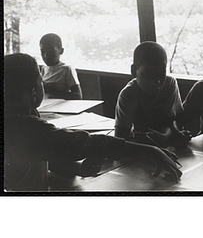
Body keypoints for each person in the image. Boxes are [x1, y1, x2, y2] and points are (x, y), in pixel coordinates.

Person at [4, 53, 182, 192]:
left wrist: (80, 169)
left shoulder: (24, 115)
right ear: (33, 91)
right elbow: (83, 143)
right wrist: (150, 151)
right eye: (41, 82)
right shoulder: (23, 127)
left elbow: (50, 156)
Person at [115, 41, 191, 149]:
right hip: (140, 149)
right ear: (133, 71)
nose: (157, 82)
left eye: (161, 74)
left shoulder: (169, 84)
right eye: (149, 74)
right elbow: (119, 140)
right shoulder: (128, 95)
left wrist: (166, 136)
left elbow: (171, 122)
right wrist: (162, 138)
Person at [40, 33, 82, 100]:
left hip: (61, 108)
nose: (46, 56)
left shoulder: (66, 69)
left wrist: (51, 90)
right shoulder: (44, 69)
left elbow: (78, 96)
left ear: (61, 51)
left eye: (51, 51)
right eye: (43, 51)